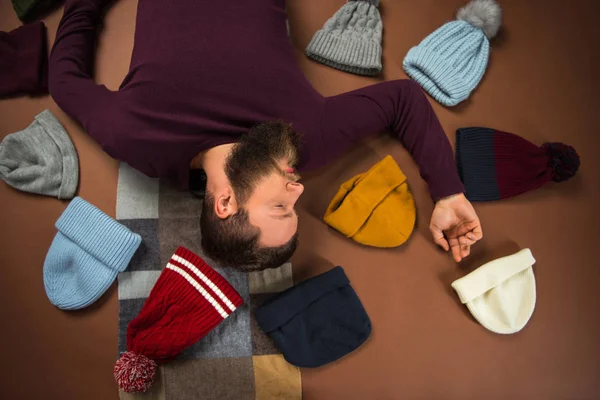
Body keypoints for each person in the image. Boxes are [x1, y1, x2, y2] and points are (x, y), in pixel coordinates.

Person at [49, 0, 483, 271]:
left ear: (225, 203)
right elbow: (403, 99)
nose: (298, 190)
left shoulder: (136, 136)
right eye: (295, 206)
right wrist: (448, 193)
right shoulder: (302, 143)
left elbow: (63, 82)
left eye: (280, 206)